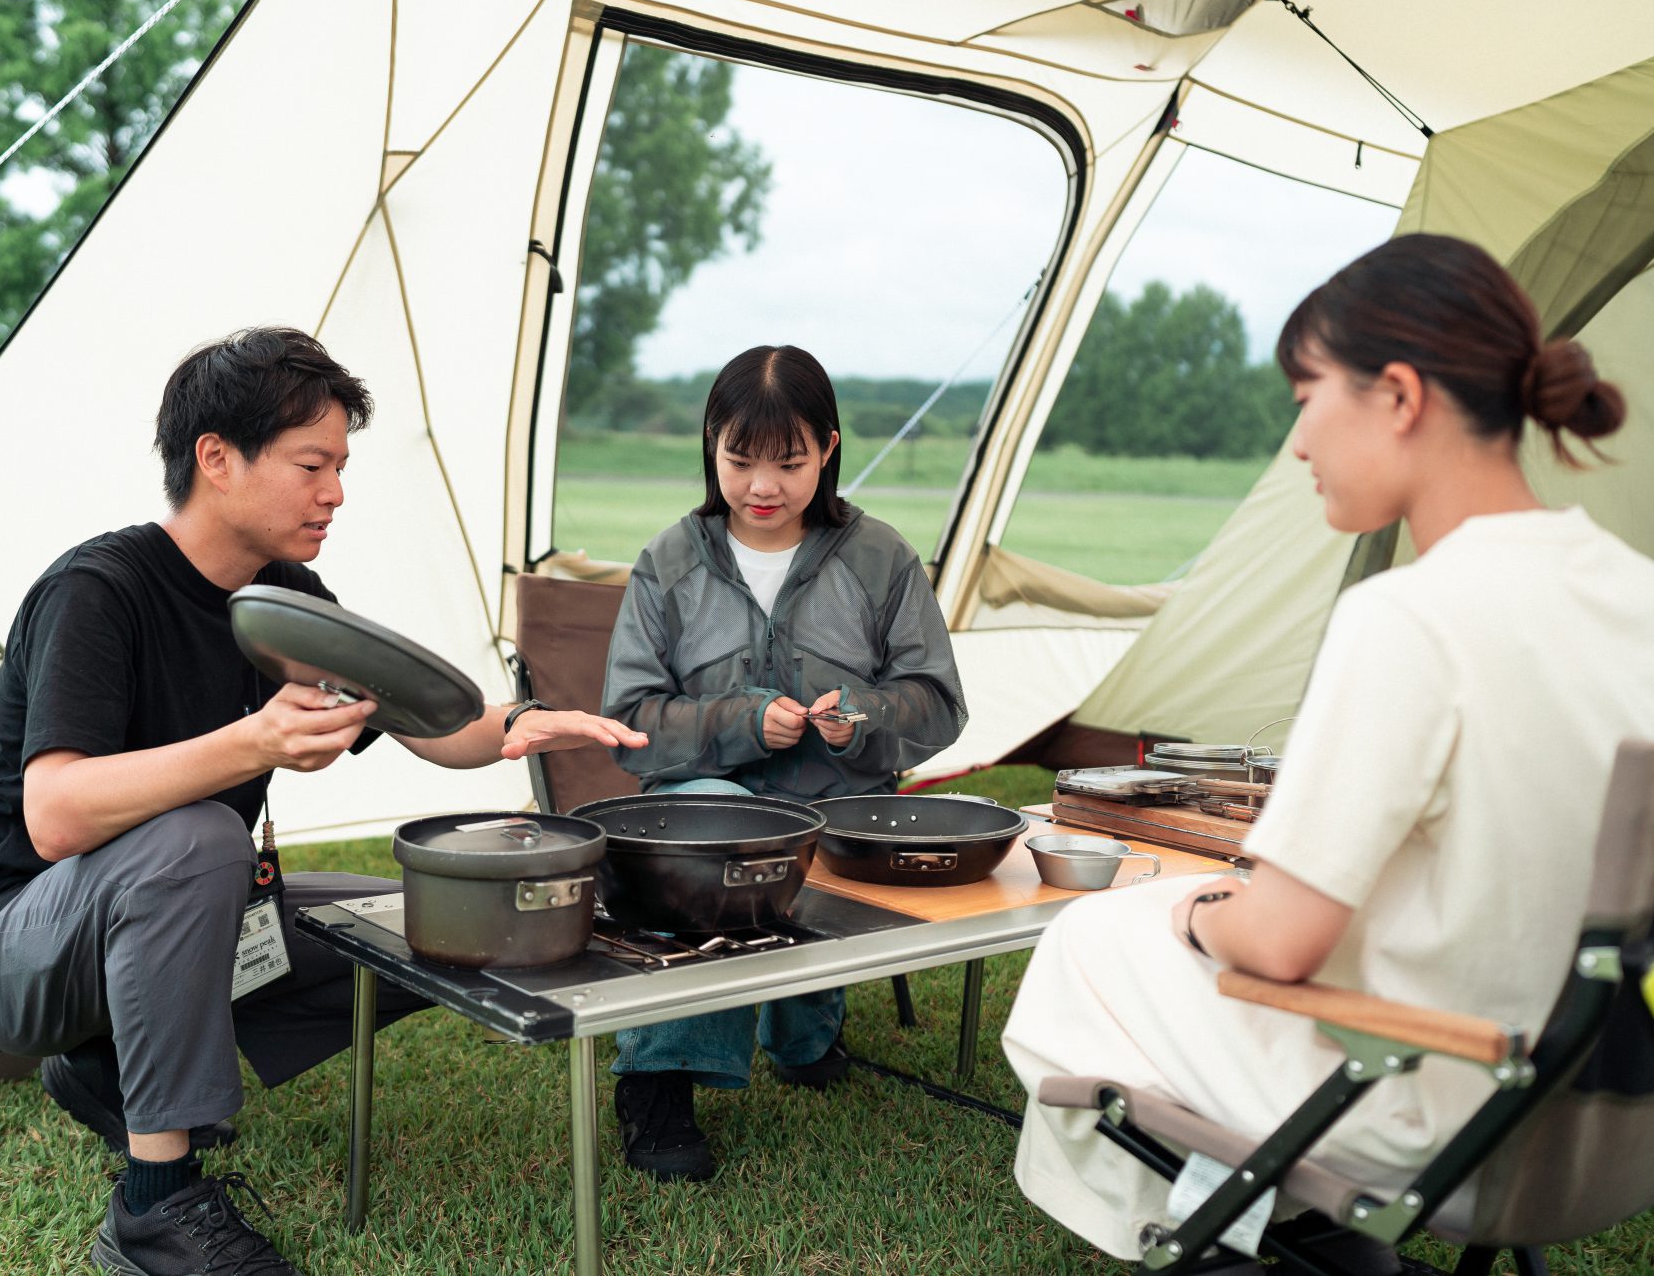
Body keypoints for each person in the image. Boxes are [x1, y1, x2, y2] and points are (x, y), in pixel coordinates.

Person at [0, 327, 645, 1276]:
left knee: (411, 922)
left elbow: (430, 722)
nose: (335, 491)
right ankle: (154, 1207)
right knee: (197, 840)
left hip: (160, 915)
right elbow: (55, 815)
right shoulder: (99, 590)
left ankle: (106, 1070)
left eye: (341, 466)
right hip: (10, 945)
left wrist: (526, 721)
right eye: (313, 464)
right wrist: (252, 741)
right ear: (215, 458)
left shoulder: (284, 597)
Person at [1002, 234, 1654, 1266]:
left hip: (1432, 1103)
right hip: (1598, 1123)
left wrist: (1202, 911)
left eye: (1308, 395)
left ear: (1397, 393)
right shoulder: (1634, 594)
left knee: (1093, 941)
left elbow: (1281, 942)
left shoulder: (1414, 616)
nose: (1297, 440)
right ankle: (1307, 1242)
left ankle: (1226, 1240)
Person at [600, 343, 968, 1181]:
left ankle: (803, 1028)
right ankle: (658, 1082)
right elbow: (628, 721)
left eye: (790, 463)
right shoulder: (669, 562)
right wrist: (740, 724)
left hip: (836, 815)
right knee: (714, 830)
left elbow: (940, 702)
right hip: (701, 818)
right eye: (740, 460)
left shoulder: (883, 560)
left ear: (829, 449)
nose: (763, 487)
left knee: (804, 1035)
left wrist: (863, 718)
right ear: (710, 444)